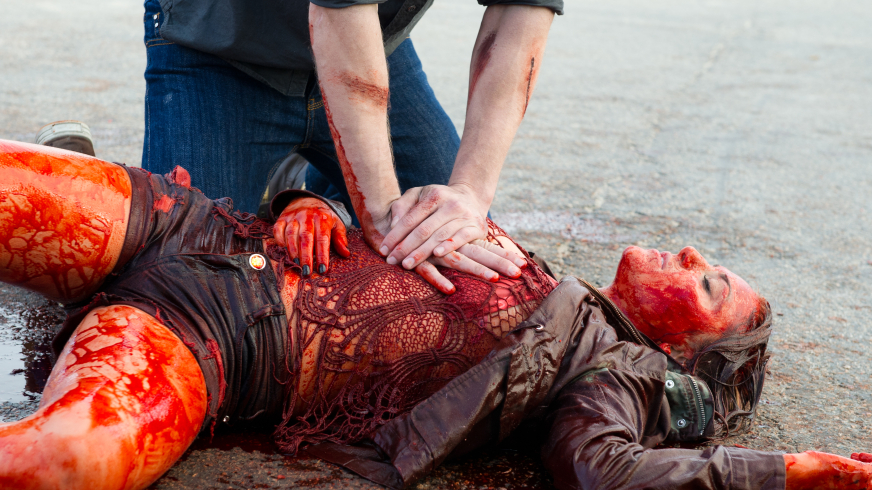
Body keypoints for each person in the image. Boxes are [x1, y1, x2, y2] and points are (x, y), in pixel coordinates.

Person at [0, 141, 872, 490]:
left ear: (675, 354)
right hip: (194, 227)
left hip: (211, 344)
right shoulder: (540, 271)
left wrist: (790, 472)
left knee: (55, 465)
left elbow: (601, 471)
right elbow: (380, 220)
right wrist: (309, 201)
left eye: (707, 282)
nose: (690, 254)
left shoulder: (608, 372)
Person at [143, 0, 560, 292]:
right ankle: (287, 185)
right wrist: (383, 218)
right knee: (177, 283)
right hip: (218, 41)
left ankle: (314, 189)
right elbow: (339, 9)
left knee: (465, 254)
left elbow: (520, 12)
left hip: (371, 41)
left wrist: (470, 194)